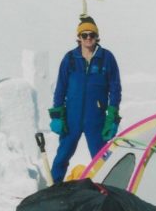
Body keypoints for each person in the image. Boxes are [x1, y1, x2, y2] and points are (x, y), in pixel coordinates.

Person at [49, 15, 122, 183]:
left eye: (92, 35)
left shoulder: (107, 58)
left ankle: (111, 190)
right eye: (84, 35)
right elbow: (60, 89)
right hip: (72, 118)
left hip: (95, 118)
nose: (88, 38)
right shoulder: (70, 59)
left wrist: (112, 118)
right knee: (62, 156)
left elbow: (115, 89)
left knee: (103, 159)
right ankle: (54, 189)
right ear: (79, 38)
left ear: (97, 36)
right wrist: (57, 117)